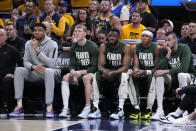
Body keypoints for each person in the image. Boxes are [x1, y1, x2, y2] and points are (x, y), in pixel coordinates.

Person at [9, 23, 59, 118]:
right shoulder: (28, 43)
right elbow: (26, 61)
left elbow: (52, 64)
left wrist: (37, 50)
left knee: (48, 71)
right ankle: (19, 105)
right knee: (19, 70)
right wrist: (33, 67)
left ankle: (49, 106)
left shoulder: (53, 44)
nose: (37, 32)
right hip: (35, 71)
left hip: (51, 71)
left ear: (45, 32)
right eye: (35, 30)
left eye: (40, 30)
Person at [151, 31, 195, 120]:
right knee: (159, 77)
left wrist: (165, 71)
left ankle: (184, 110)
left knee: (181, 75)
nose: (167, 42)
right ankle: (160, 110)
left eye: (169, 40)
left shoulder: (184, 48)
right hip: (173, 78)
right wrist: (168, 54)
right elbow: (159, 69)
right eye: (165, 40)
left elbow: (184, 69)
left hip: (189, 76)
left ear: (175, 40)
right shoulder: (164, 50)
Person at [88, 28, 131, 119]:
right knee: (96, 75)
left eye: (114, 36)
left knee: (124, 76)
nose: (111, 38)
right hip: (109, 71)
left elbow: (125, 67)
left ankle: (120, 109)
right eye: (110, 36)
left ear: (119, 37)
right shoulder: (103, 46)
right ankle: (95, 108)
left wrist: (112, 73)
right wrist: (103, 70)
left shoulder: (126, 47)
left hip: (120, 71)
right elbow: (99, 65)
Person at [59, 24, 98, 118]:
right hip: (77, 73)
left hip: (91, 73)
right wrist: (72, 70)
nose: (76, 33)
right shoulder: (73, 47)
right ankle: (65, 108)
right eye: (75, 31)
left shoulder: (93, 47)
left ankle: (87, 107)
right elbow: (71, 64)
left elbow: (94, 67)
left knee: (85, 77)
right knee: (65, 77)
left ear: (85, 33)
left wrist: (80, 72)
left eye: (79, 31)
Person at [128, 29, 160, 120]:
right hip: (141, 71)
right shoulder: (135, 47)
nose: (143, 38)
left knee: (152, 78)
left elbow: (157, 68)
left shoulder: (156, 48)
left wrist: (145, 72)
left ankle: (148, 109)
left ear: (151, 38)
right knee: (131, 76)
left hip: (151, 72)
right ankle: (136, 108)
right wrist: (136, 70)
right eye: (142, 36)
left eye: (146, 36)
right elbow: (136, 64)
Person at [0, 29, 23, 116]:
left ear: (6, 37)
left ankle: (5, 105)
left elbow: (22, 64)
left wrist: (14, 75)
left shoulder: (12, 50)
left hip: (6, 76)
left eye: (1, 35)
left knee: (7, 81)